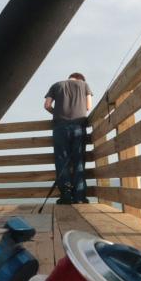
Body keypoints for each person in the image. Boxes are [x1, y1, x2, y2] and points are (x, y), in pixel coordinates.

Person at [44, 72, 92, 204]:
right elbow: (88, 106)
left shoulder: (56, 85)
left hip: (60, 127)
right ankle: (79, 197)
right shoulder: (84, 85)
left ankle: (66, 196)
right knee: (78, 161)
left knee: (61, 160)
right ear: (80, 79)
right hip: (78, 127)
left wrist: (58, 113)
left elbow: (47, 105)